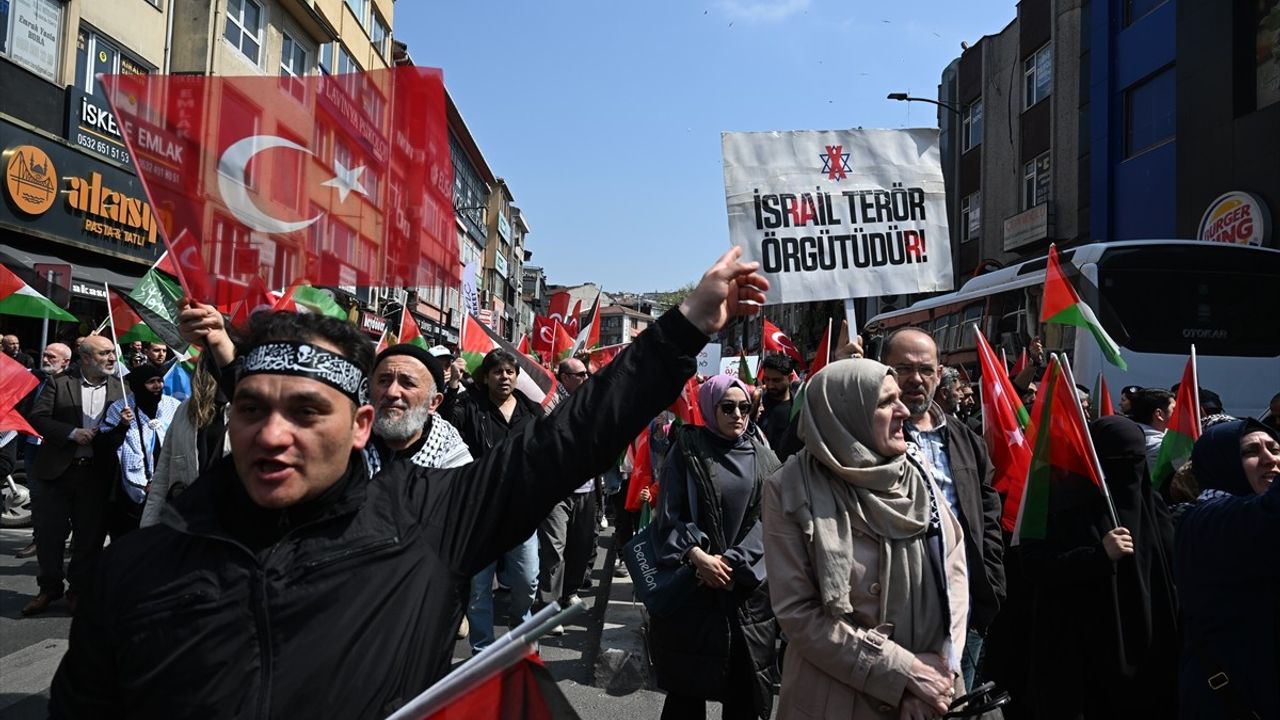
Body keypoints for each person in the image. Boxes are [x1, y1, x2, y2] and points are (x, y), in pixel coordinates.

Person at [48, 246, 769, 718]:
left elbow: (570, 438)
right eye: (252, 409)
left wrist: (686, 327)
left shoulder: (428, 519)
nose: (273, 434)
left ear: (360, 424)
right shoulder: (135, 570)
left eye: (307, 412)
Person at [764, 359, 968, 719]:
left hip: (930, 698)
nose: (904, 410)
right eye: (886, 402)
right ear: (846, 414)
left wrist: (938, 675)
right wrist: (901, 674)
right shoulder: (789, 488)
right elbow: (798, 613)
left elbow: (955, 580)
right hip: (836, 698)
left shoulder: (917, 474)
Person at [1018, 415, 1179, 718]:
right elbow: (1034, 565)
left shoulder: (1155, 507)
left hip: (1151, 655)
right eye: (1119, 461)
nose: (1130, 469)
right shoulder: (1062, 504)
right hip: (1085, 654)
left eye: (1136, 459)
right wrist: (1097, 556)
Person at [649, 374, 781, 720]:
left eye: (744, 407)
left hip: (746, 591)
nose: (737, 415)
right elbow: (668, 514)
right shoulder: (687, 450)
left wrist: (732, 562)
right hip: (694, 588)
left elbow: (773, 520)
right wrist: (698, 556)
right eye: (728, 407)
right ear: (710, 407)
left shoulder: (766, 459)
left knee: (743, 694)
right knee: (686, 695)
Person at [880, 328, 1005, 690]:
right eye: (903, 368)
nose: (915, 379)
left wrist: (990, 579)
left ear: (938, 374)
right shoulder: (871, 434)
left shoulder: (967, 440)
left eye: (925, 369)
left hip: (964, 605)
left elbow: (989, 512)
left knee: (956, 701)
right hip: (897, 610)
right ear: (884, 371)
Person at [1173, 419, 1280, 718]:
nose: (1269, 459)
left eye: (1274, 449)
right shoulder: (1207, 520)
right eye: (1250, 452)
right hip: (1229, 699)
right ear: (1221, 463)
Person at [446, 348, 543, 653]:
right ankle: (482, 651)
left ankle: (521, 633)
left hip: (520, 510)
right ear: (486, 377)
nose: (504, 377)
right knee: (479, 588)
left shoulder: (531, 411)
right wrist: (453, 385)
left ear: (517, 377)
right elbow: (446, 422)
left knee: (527, 579)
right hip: (479, 510)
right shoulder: (470, 406)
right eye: (497, 372)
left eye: (510, 372)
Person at [23, 336, 125, 616]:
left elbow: (127, 431)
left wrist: (124, 424)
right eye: (105, 353)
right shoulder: (59, 383)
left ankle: (78, 591)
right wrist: (71, 433)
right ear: (86, 357)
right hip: (57, 472)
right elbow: (38, 418)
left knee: (89, 538)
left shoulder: (121, 388)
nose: (112, 358)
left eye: (112, 353)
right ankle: (49, 588)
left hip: (96, 474)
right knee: (49, 534)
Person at [536, 357, 597, 632]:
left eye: (587, 374)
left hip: (587, 488)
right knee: (554, 549)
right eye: (580, 374)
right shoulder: (549, 403)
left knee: (581, 545)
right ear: (564, 377)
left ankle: (569, 591)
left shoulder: (591, 401)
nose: (586, 379)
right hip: (556, 490)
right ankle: (548, 608)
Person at [140, 355, 229, 528]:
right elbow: (163, 475)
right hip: (188, 520)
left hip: (229, 523)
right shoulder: (185, 410)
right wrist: (147, 528)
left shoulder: (248, 411)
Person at [99, 364, 183, 537]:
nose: (157, 386)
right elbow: (104, 445)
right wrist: (122, 425)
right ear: (137, 385)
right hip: (131, 490)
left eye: (159, 381)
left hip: (167, 485)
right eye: (151, 382)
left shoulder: (173, 405)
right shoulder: (119, 408)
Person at [366, 343, 471, 472]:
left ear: (433, 402)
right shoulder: (350, 441)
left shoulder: (454, 467)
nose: (392, 392)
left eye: (408, 383)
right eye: (383, 381)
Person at [14, 342, 72, 559]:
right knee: (38, 496)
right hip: (32, 446)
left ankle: (68, 538)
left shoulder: (73, 383)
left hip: (58, 448)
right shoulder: (34, 378)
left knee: (64, 498)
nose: (45, 359)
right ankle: (39, 540)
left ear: (66, 362)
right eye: (45, 355)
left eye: (51, 357)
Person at [1129, 388, 1174, 474]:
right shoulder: (1162, 447)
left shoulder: (1130, 435)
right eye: (1174, 409)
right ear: (1159, 414)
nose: (1179, 413)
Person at [756, 354, 794, 449]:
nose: (770, 385)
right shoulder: (756, 405)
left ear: (790, 378)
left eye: (776, 380)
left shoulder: (799, 407)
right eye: (767, 379)